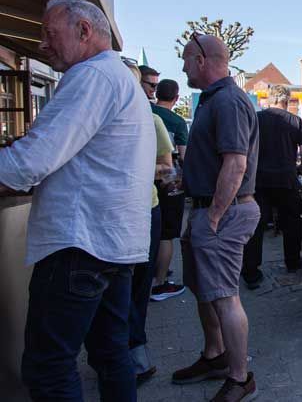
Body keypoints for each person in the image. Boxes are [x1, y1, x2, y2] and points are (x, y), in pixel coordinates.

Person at [0, 0, 155, 401]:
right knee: (111, 354)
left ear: (84, 30)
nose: (42, 45)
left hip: (79, 243)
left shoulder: (92, 77)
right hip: (112, 245)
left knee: (48, 366)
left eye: (49, 34)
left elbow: (29, 163)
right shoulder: (119, 79)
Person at [173, 33, 261, 401]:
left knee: (225, 296)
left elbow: (236, 163)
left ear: (202, 60)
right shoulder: (215, 100)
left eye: (186, 59)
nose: (181, 67)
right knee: (205, 291)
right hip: (211, 209)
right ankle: (216, 355)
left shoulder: (227, 100)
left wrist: (213, 216)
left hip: (224, 212)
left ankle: (240, 379)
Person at [123, 60, 175, 382]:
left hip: (145, 210)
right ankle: (124, 349)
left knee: (138, 284)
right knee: (118, 285)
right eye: (149, 86)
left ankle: (135, 348)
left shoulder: (152, 121)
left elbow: (167, 169)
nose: (152, 92)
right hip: (111, 216)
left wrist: (133, 173)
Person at [244, 84, 302, 286]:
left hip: (260, 179)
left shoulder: (256, 118)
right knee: (292, 222)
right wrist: (301, 168)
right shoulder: (295, 121)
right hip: (286, 178)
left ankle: (251, 271)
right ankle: (292, 261)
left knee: (256, 225)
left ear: (270, 99)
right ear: (287, 100)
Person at [151, 78, 190, 301]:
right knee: (167, 233)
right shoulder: (176, 121)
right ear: (176, 98)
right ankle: (161, 282)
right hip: (168, 179)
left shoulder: (145, 111)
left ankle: (150, 272)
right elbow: (183, 156)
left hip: (144, 178)